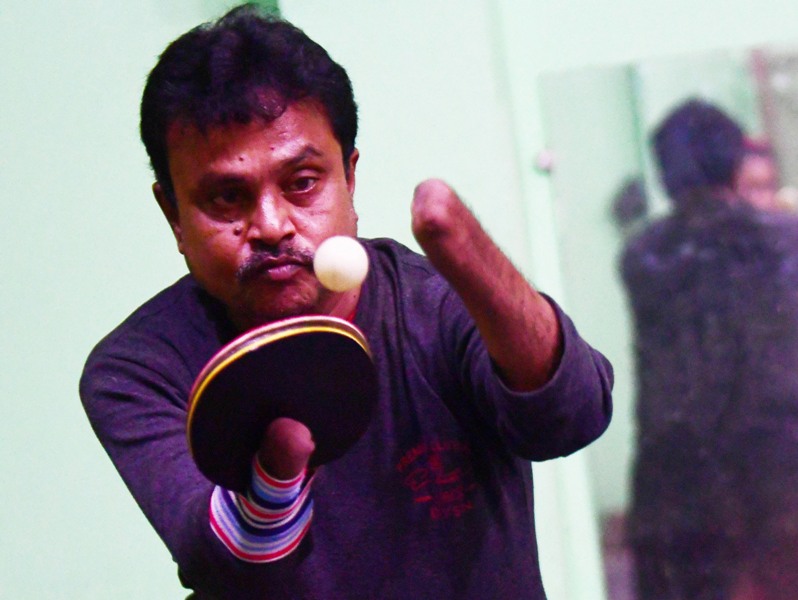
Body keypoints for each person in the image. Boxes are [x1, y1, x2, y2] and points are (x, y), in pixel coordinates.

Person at [79, 5, 614, 599]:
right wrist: (279, 465)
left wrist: (470, 257)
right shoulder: (137, 368)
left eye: (302, 182)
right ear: (173, 214)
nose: (272, 224)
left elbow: (574, 418)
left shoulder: (436, 304)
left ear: (350, 177)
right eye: (227, 197)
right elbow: (223, 565)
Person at [621, 98, 798, 600]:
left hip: (678, 484)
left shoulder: (642, 256)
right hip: (779, 474)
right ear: (736, 161)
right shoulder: (788, 239)